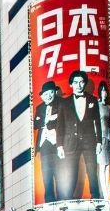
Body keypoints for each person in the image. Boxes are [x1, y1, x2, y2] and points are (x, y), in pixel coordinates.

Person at [56, 70, 105, 201]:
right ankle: (67, 199)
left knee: (92, 171)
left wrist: (99, 141)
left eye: (81, 82)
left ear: (85, 83)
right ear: (71, 84)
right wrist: (59, 146)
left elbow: (98, 122)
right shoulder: (64, 103)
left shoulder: (93, 100)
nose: (79, 85)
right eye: (76, 82)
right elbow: (60, 126)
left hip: (89, 141)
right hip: (70, 143)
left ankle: (96, 197)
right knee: (71, 172)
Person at [34, 81, 63, 203]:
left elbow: (65, 121)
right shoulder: (39, 108)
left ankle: (62, 199)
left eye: (51, 92)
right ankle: (49, 200)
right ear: (42, 96)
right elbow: (35, 124)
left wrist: (54, 121)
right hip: (44, 145)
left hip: (57, 144)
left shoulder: (61, 104)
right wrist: (46, 120)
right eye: (46, 93)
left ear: (55, 93)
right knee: (46, 175)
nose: (49, 95)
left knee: (60, 173)